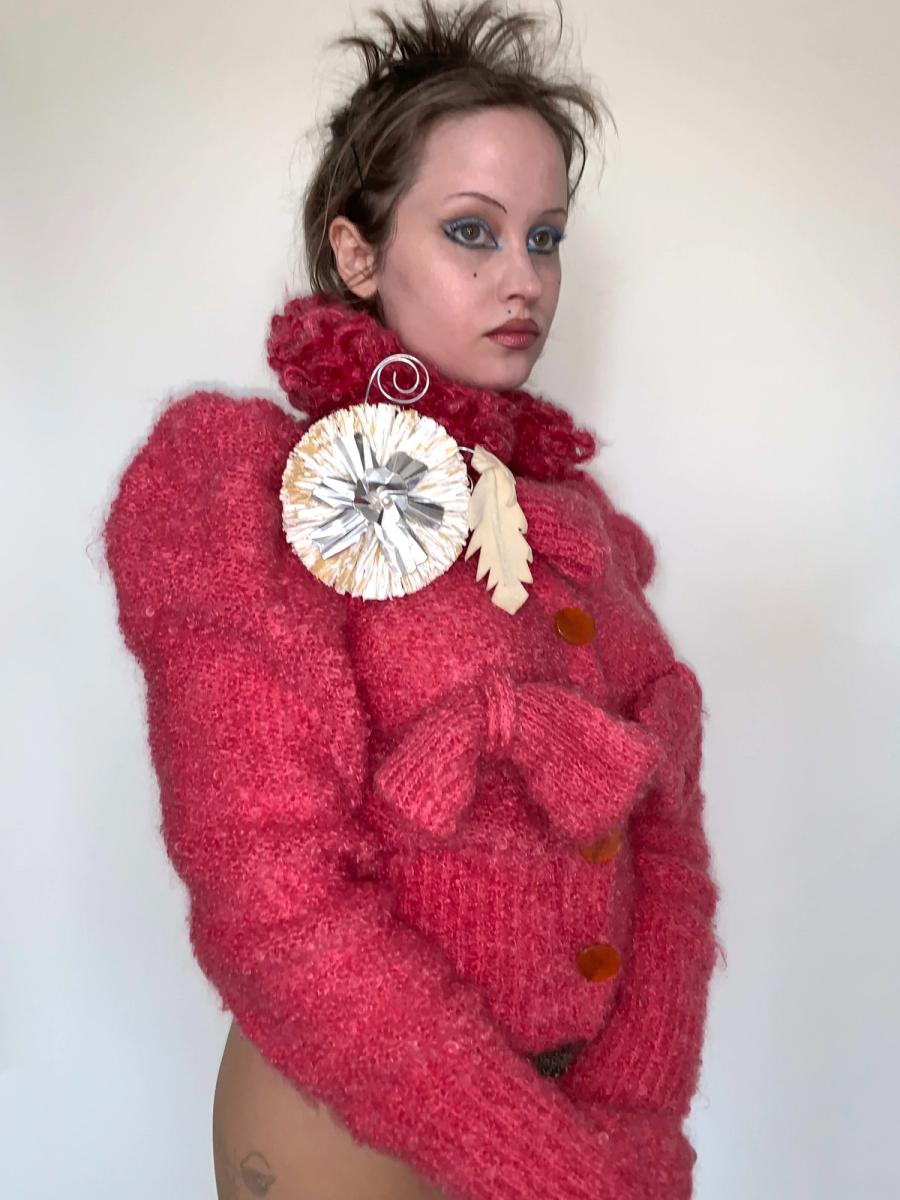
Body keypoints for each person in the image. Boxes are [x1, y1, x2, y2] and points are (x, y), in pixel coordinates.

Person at [102, 2, 722, 1198]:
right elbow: (273, 897)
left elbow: (668, 847)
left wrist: (637, 1114)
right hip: (345, 1133)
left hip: (573, 1124)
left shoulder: (580, 532)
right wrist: (548, 1166)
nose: (523, 279)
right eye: (471, 231)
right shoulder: (241, 487)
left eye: (545, 237)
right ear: (357, 252)